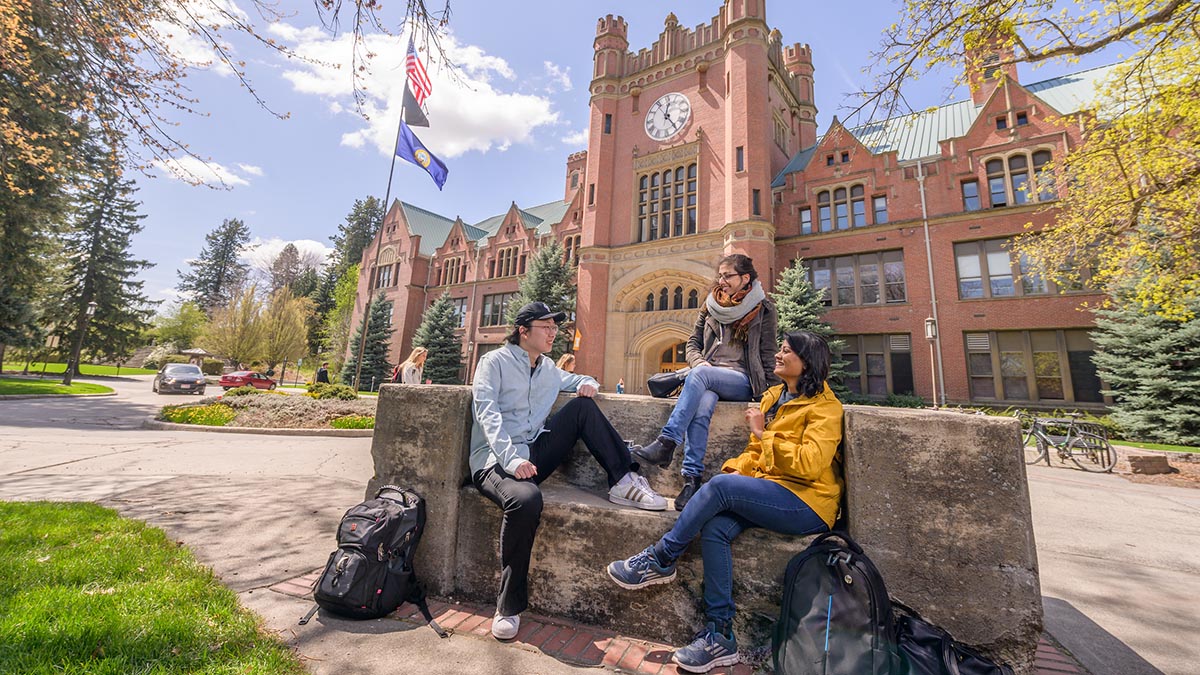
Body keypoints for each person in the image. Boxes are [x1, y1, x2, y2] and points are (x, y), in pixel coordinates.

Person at [607, 331, 843, 673]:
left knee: (719, 488)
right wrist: (736, 473)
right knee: (716, 526)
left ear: (807, 364)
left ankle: (661, 557)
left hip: (807, 502)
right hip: (770, 490)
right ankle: (720, 635)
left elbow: (810, 464)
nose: (777, 354)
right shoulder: (774, 396)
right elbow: (752, 454)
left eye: (786, 351)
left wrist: (764, 436)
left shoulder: (825, 407)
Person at [470, 301, 667, 641]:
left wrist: (587, 380)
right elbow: (488, 415)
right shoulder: (494, 363)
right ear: (523, 330)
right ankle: (509, 605)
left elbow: (576, 378)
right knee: (527, 501)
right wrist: (511, 460)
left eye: (554, 327)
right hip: (494, 459)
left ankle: (623, 480)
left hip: (533, 453)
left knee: (582, 407)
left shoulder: (547, 369)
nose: (553, 333)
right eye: (545, 327)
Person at [634, 253, 779, 511]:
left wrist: (772, 398)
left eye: (728, 276)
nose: (721, 281)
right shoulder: (711, 305)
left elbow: (767, 354)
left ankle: (666, 443)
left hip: (742, 380)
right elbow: (692, 343)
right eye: (720, 275)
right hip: (708, 377)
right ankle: (691, 480)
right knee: (701, 407)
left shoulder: (764, 309)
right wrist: (698, 362)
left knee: (700, 377)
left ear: (745, 278)